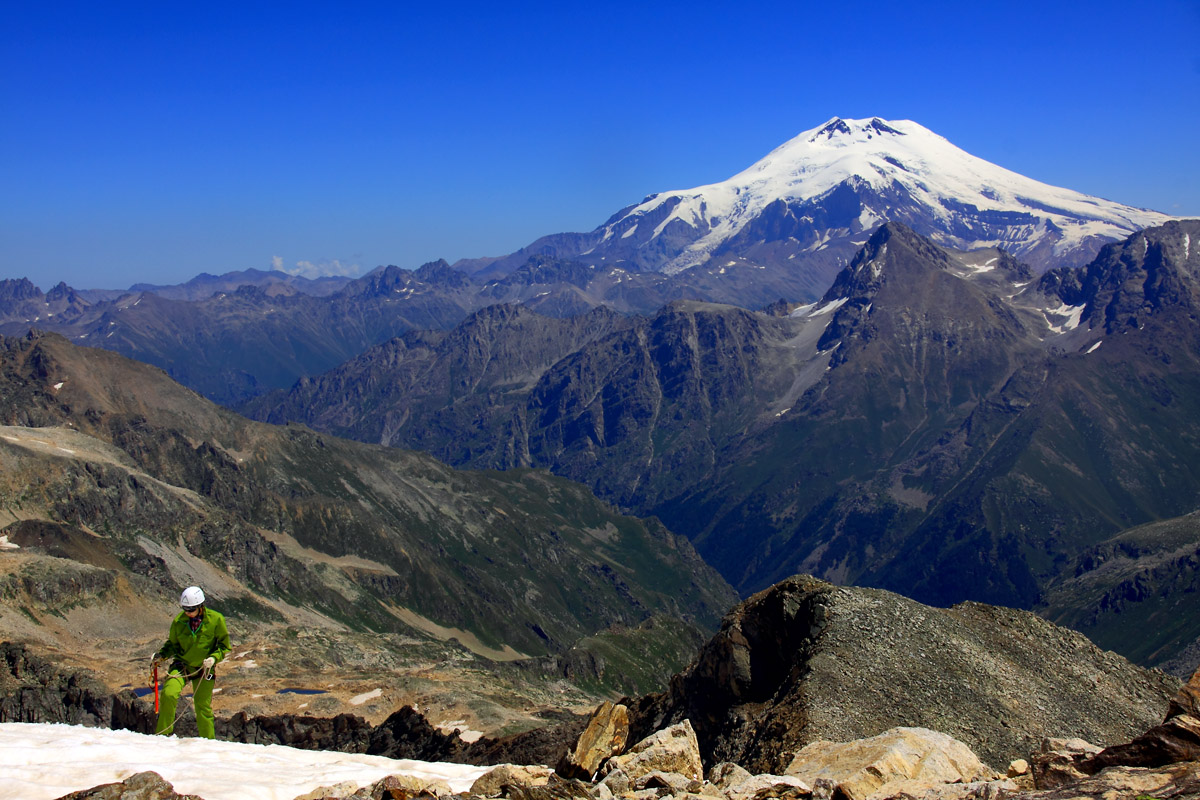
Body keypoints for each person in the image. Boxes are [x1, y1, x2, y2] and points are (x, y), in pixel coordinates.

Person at [150, 586, 231, 738]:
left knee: (202, 706)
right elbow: (173, 645)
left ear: (200, 607)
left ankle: (208, 741)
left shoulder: (216, 620)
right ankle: (163, 735)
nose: (187, 613)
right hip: (183, 665)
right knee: (169, 693)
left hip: (204, 669)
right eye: (185, 609)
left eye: (191, 609)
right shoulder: (179, 622)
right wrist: (161, 656)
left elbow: (224, 646)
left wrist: (214, 658)